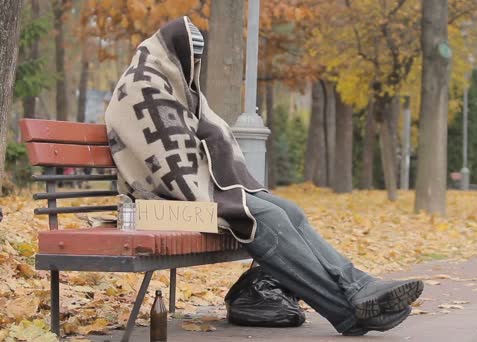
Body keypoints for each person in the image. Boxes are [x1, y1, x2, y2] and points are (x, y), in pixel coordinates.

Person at [104, 17, 422, 336]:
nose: (195, 65)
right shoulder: (142, 83)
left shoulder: (173, 82)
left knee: (287, 210)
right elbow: (162, 156)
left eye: (198, 59)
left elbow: (207, 133)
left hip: (186, 197)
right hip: (149, 207)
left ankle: (358, 288)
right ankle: (348, 310)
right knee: (263, 215)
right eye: (192, 57)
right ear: (173, 53)